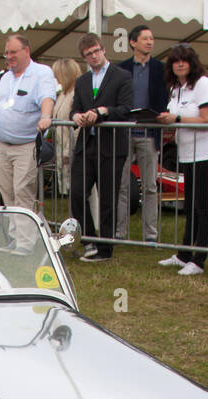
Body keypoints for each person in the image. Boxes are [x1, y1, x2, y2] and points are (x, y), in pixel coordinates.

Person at [156, 44, 208, 277]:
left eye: (184, 59)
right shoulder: (177, 88)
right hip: (187, 153)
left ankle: (199, 259)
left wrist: (176, 117)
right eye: (175, 60)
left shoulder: (202, 84)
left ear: (192, 62)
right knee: (190, 204)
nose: (180, 64)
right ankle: (184, 254)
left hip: (206, 153)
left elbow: (206, 119)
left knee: (202, 207)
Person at [0, 35, 56, 255]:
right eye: (7, 53)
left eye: (13, 52)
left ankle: (26, 243)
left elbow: (47, 97)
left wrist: (46, 116)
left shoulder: (42, 73)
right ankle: (15, 239)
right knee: (7, 192)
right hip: (3, 145)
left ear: (27, 50)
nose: (9, 57)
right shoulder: (5, 78)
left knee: (22, 191)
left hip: (26, 145)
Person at [70, 33, 134, 262]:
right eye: (89, 54)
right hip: (87, 144)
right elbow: (74, 108)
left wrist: (104, 111)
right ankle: (89, 240)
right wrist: (76, 116)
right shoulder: (82, 81)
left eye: (96, 51)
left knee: (108, 197)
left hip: (112, 144)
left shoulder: (122, 76)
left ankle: (106, 248)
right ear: (84, 57)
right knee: (77, 191)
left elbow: (127, 108)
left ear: (103, 50)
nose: (94, 56)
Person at [116, 25, 168, 243]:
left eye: (152, 38)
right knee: (122, 185)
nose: (150, 42)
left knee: (149, 186)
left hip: (149, 133)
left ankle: (150, 235)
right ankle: (119, 233)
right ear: (133, 42)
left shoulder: (161, 69)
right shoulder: (122, 68)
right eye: (145, 38)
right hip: (125, 132)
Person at [51, 59, 82, 198]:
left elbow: (77, 127)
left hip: (71, 148)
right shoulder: (62, 94)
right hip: (61, 145)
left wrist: (68, 151)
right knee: (69, 190)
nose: (55, 78)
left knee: (79, 190)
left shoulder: (76, 94)